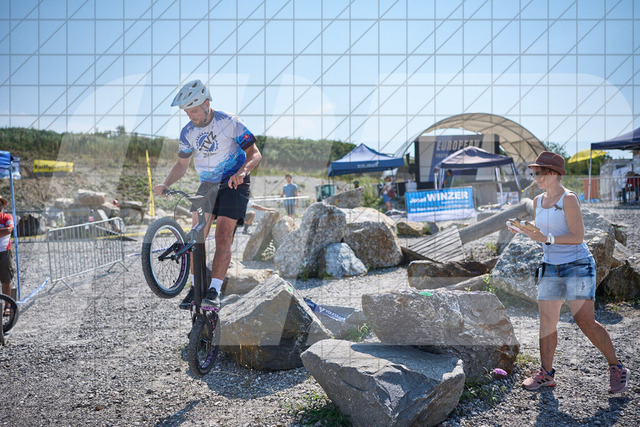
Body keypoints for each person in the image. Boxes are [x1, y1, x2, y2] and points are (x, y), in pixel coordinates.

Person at [513, 151, 629, 394]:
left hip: (577, 264)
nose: (536, 177)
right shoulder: (537, 201)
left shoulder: (568, 199)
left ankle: (617, 367)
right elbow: (543, 235)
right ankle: (546, 374)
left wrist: (547, 238)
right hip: (550, 266)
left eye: (540, 172)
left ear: (554, 173)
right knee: (547, 322)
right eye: (534, 172)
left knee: (584, 320)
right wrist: (525, 231)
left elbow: (577, 237)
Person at [154, 79, 262, 309]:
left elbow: (255, 154)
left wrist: (242, 172)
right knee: (196, 236)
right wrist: (165, 183)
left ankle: (214, 290)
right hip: (207, 184)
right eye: (186, 112)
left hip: (234, 182)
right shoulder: (188, 132)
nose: (190, 116)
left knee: (223, 235)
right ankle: (195, 287)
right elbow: (181, 165)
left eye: (193, 110)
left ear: (206, 103)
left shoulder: (229, 122)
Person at [0, 195, 15, 317]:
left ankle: (7, 306)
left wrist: (5, 230)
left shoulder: (7, 217)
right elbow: (4, 231)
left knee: (6, 280)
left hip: (4, 252)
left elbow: (9, 230)